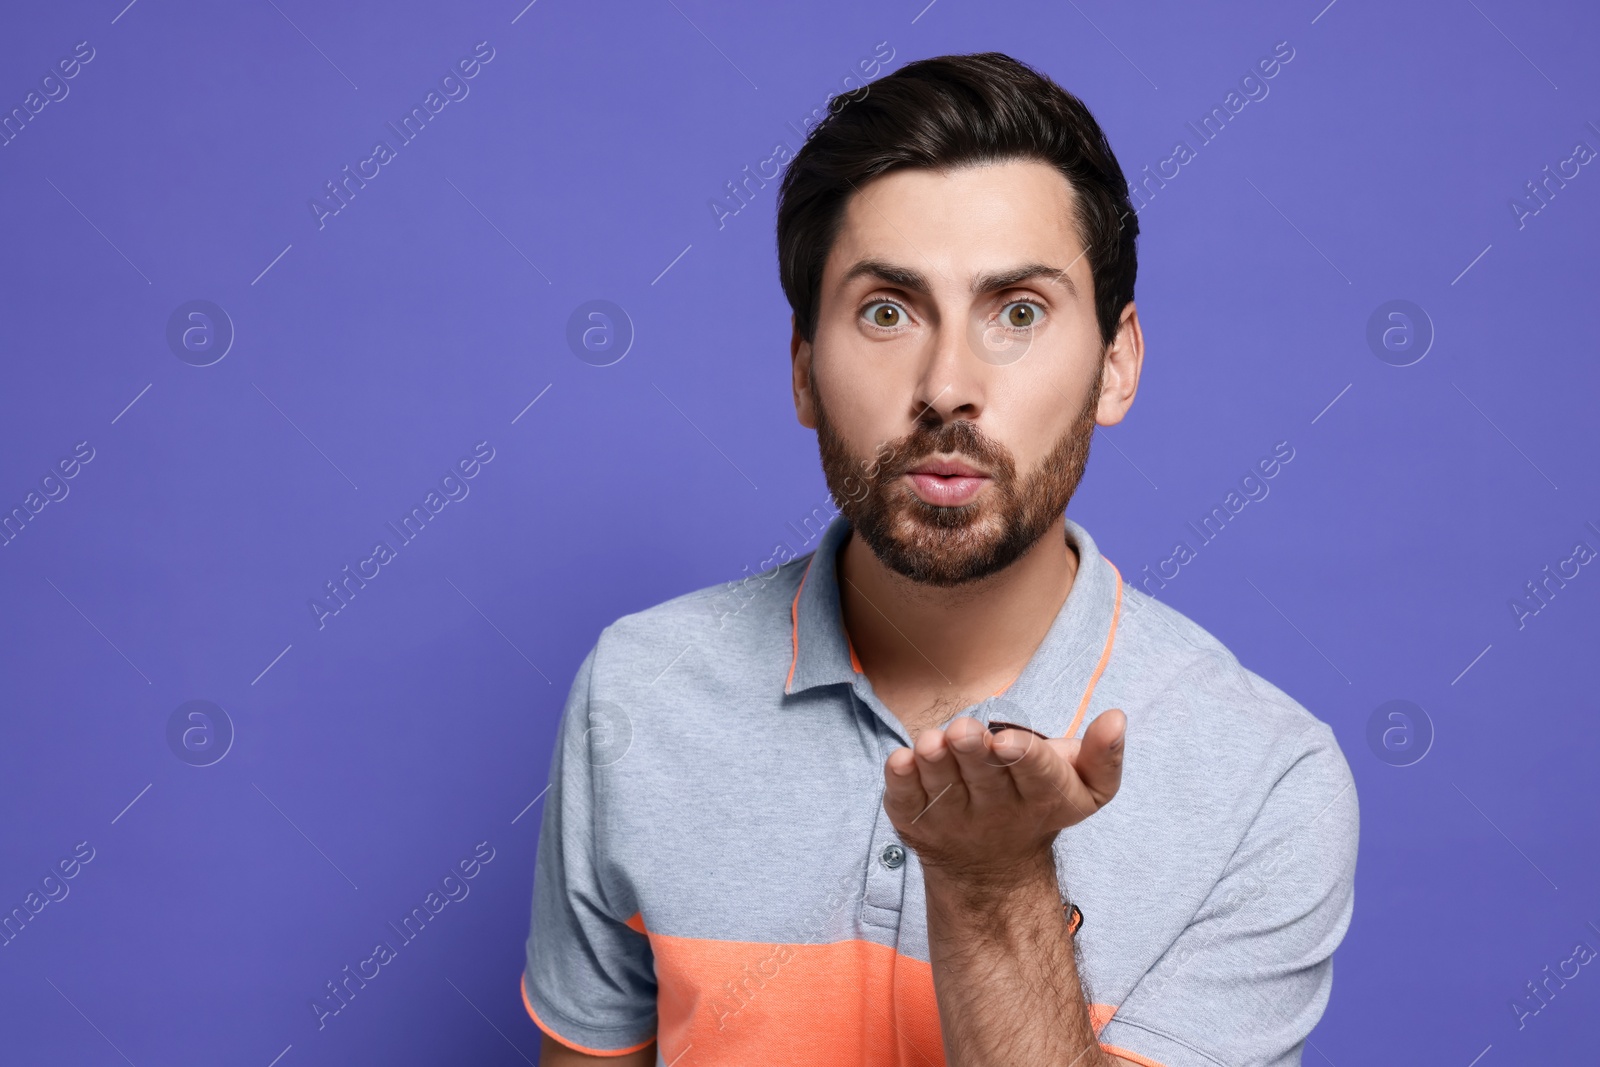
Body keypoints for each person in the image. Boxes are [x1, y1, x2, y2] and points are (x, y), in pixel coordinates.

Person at [522, 51, 1358, 1067]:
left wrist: (996, 886)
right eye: (886, 310)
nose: (946, 384)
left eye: (1017, 311)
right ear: (802, 372)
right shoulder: (636, 693)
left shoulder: (1266, 778)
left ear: (1116, 363)